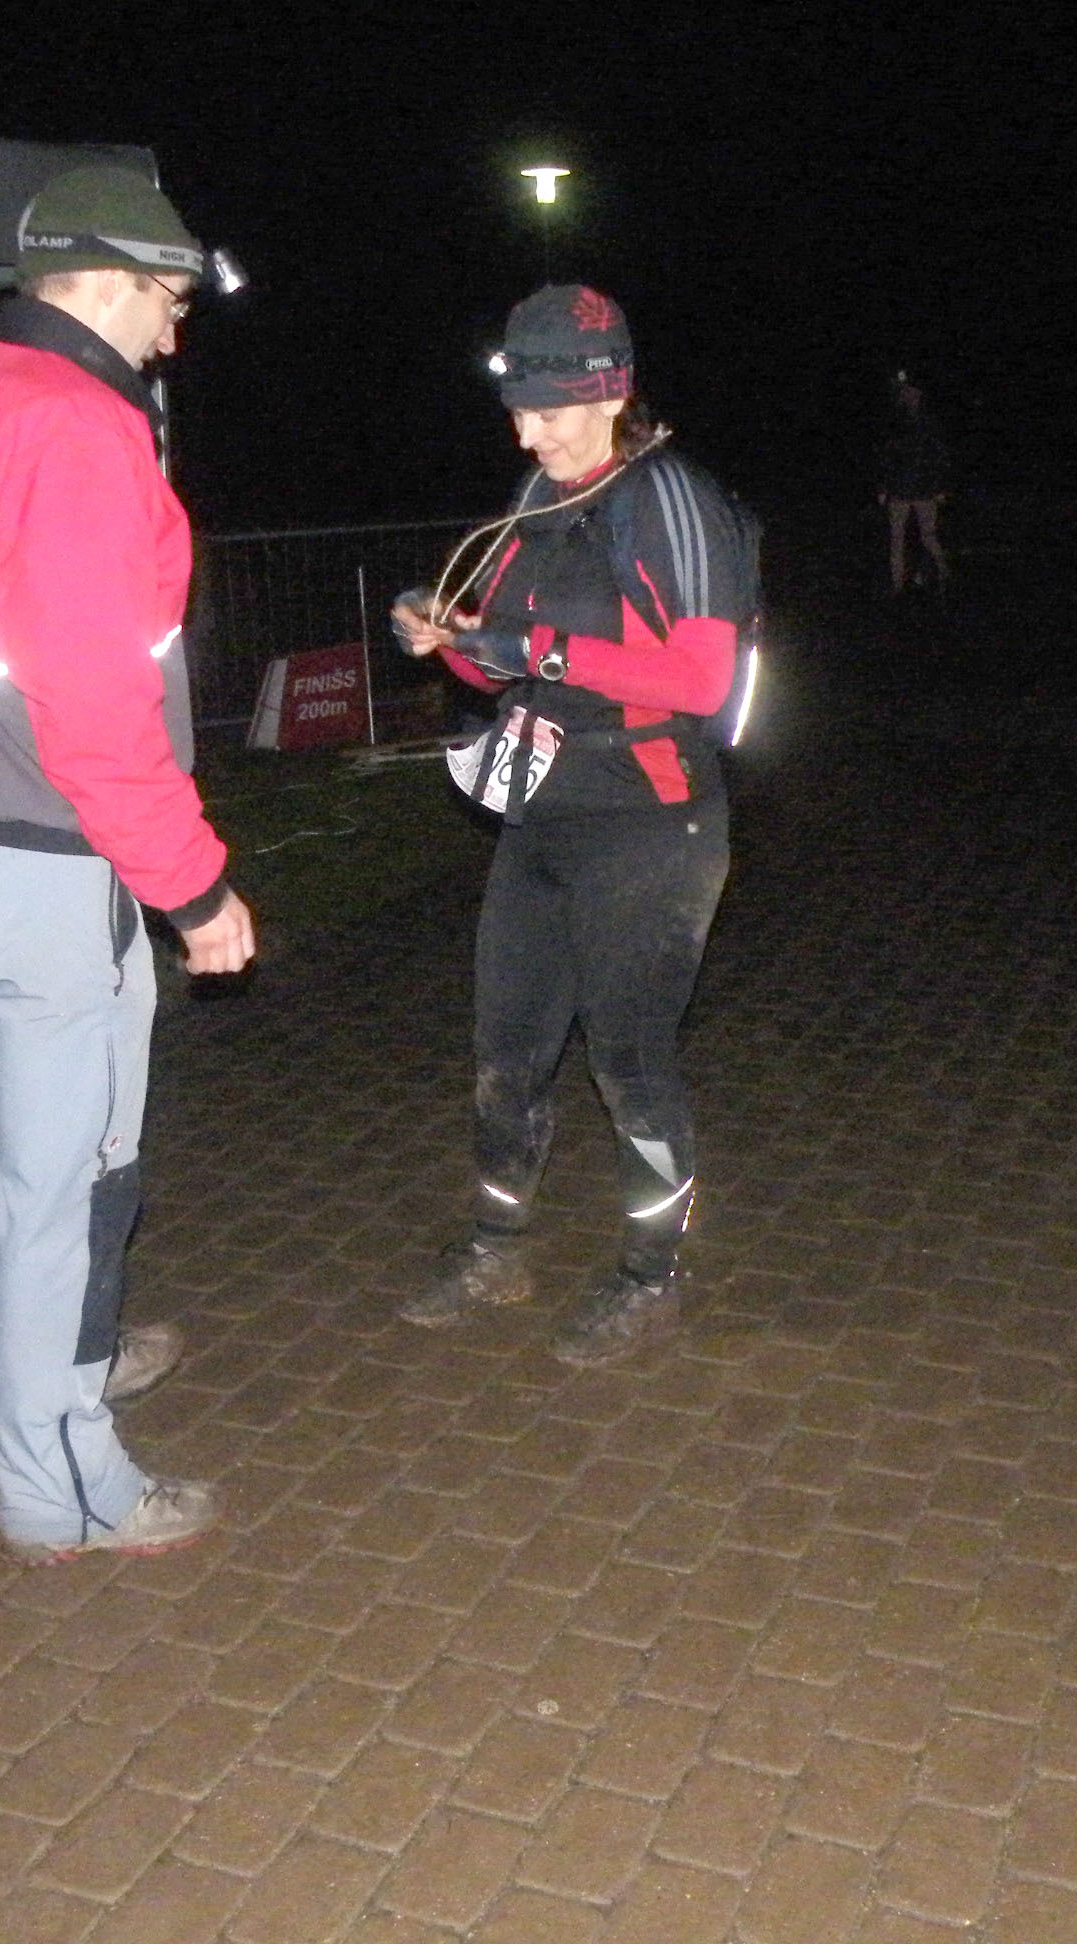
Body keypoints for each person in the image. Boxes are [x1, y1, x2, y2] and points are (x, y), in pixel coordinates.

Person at [0, 164, 252, 1564]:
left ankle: (65, 1366)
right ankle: (69, 1483)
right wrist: (194, 886)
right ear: (112, 279)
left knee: (17, 1174)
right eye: (169, 299)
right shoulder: (80, 427)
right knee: (73, 1184)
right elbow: (93, 704)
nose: (175, 330)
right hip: (49, 868)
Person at [390, 284, 754, 1367]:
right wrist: (450, 638)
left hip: (652, 825)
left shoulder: (673, 501)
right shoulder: (536, 496)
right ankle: (497, 1246)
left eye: (548, 413)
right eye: (518, 412)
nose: (528, 435)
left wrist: (535, 653)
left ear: (609, 394)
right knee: (507, 1050)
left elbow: (701, 679)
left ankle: (651, 1273)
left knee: (629, 1059)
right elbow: (502, 659)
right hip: (542, 817)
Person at [879, 372, 953, 593]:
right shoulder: (896, 422)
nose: (910, 398)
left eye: (912, 394)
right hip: (905, 488)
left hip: (921, 488)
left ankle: (941, 571)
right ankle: (898, 584)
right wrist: (883, 486)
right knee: (900, 538)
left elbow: (939, 456)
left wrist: (939, 486)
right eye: (906, 394)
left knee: (925, 536)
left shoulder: (927, 424)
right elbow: (886, 456)